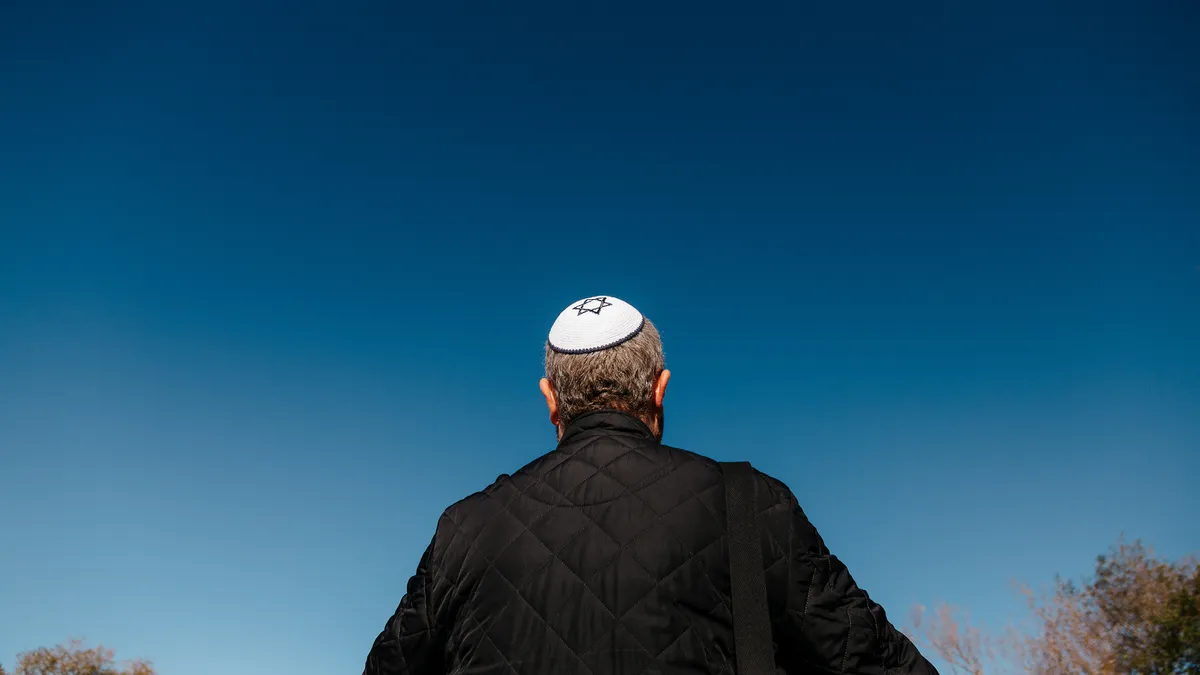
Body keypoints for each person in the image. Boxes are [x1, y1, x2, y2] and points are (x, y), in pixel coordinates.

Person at [363, 296, 938, 675]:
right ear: (660, 389)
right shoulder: (747, 503)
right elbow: (868, 657)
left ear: (550, 400)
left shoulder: (465, 528)